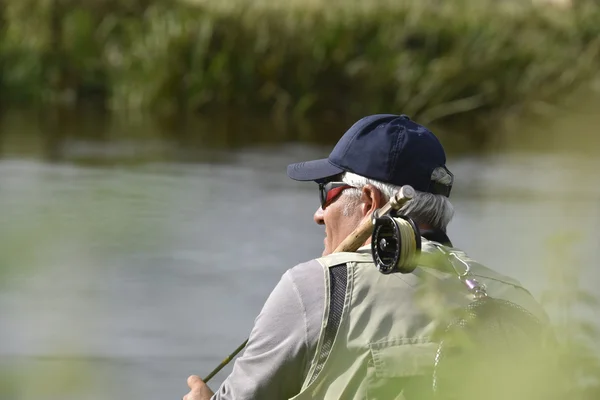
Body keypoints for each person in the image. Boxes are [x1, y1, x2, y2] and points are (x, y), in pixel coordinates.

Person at [182, 114, 548, 400]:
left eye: (328, 192)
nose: (319, 214)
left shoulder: (315, 289)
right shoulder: (519, 299)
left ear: (371, 204)